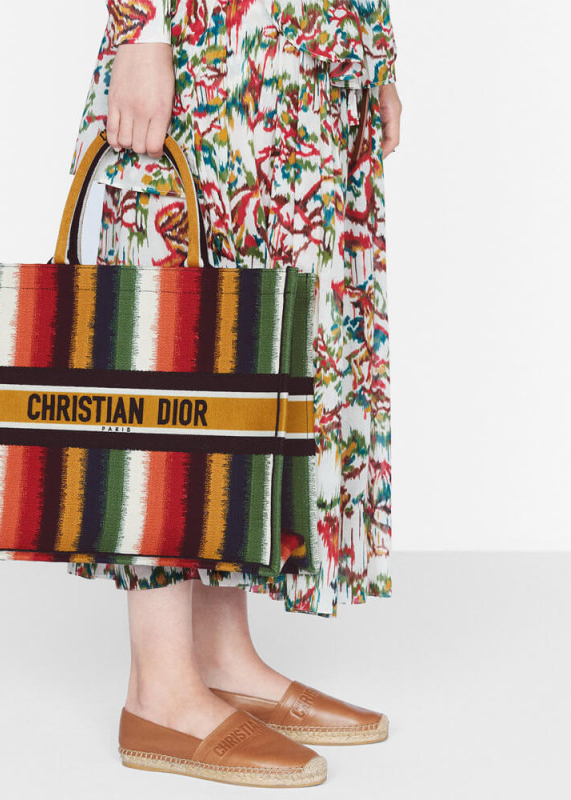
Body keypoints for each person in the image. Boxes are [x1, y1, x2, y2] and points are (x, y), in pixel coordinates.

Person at [67, 0, 402, 787]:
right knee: (169, 342)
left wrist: (376, 45)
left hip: (311, 55)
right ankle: (159, 688)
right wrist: (140, 27)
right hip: (206, 38)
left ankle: (219, 658)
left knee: (257, 351)